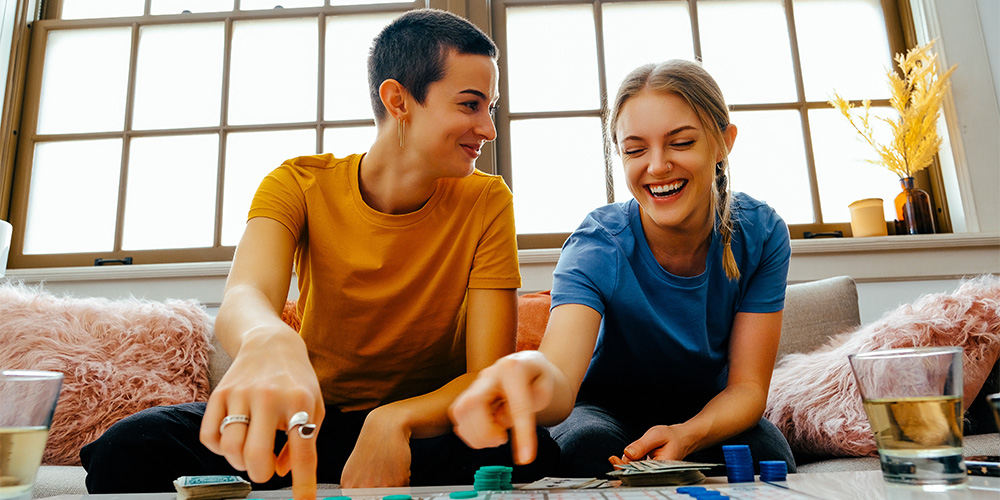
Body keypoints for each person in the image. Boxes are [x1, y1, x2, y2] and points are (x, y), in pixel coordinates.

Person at [80, 9, 557, 500]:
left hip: (426, 429)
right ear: (399, 100)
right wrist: (266, 336)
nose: (488, 128)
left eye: (490, 108)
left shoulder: (488, 200)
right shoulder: (297, 183)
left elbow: (484, 375)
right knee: (129, 447)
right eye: (470, 105)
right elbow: (245, 292)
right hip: (308, 423)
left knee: (532, 450)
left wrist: (394, 421)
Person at [448, 59, 796, 478]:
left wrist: (688, 434)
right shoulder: (599, 242)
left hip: (706, 408)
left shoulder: (762, 232)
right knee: (586, 448)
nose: (657, 166)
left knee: (766, 450)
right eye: (635, 150)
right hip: (604, 408)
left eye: (681, 143)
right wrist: (530, 371)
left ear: (723, 142)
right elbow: (560, 376)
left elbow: (747, 389)